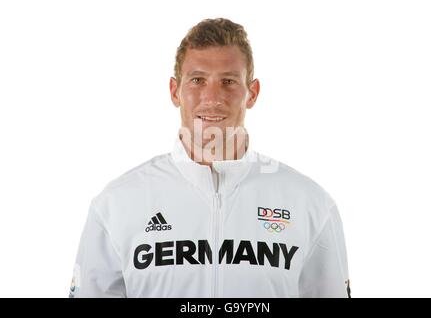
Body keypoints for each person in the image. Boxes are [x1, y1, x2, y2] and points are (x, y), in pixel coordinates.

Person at [69, 18, 351, 298]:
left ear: (252, 93)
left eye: (228, 81)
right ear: (174, 91)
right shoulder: (116, 205)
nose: (213, 97)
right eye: (197, 80)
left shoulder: (310, 205)